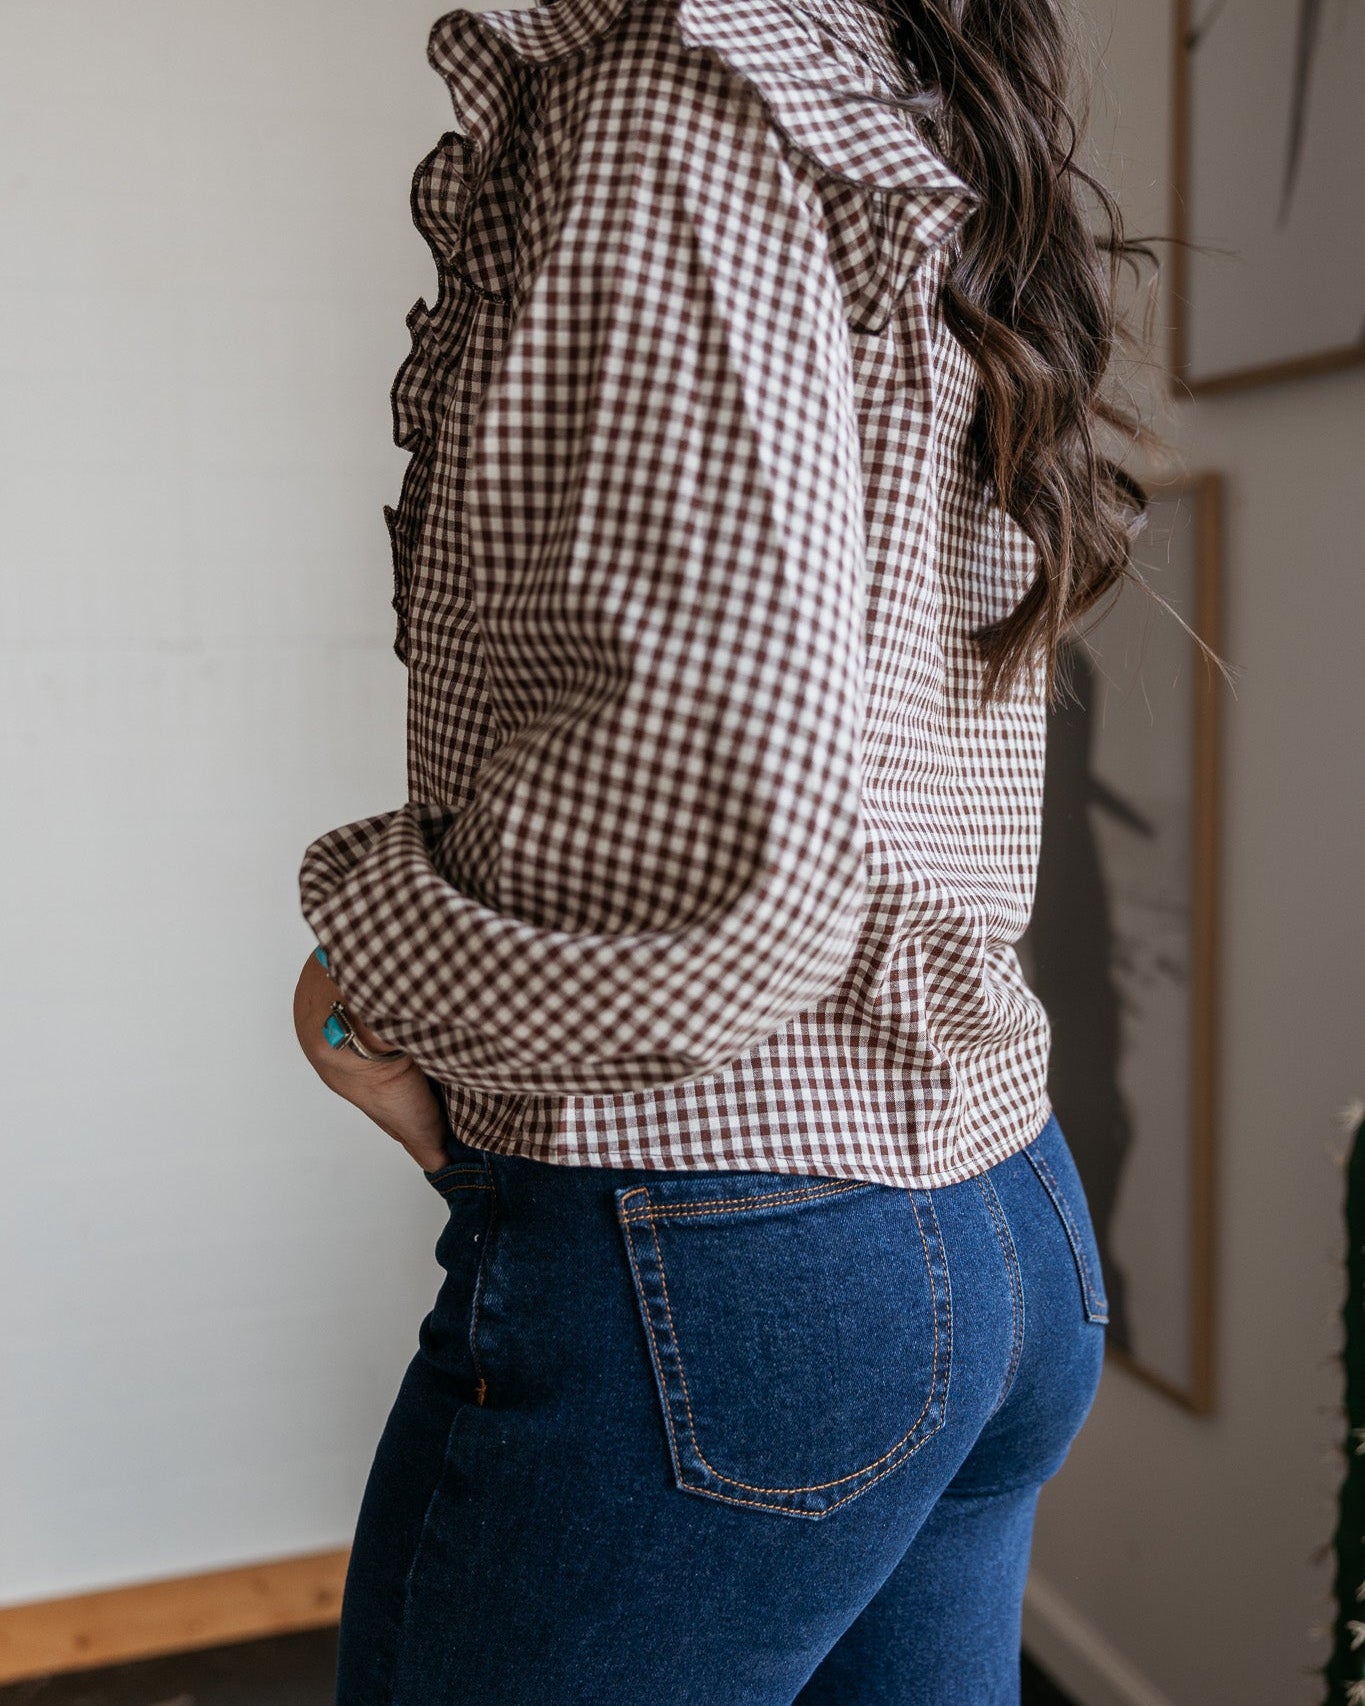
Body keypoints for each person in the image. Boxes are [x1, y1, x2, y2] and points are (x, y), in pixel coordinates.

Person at [291, 0, 1170, 1698]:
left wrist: (370, 963)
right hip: (985, 1210)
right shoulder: (880, 93)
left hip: (727, 1261)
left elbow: (720, 891)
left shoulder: (673, 90)